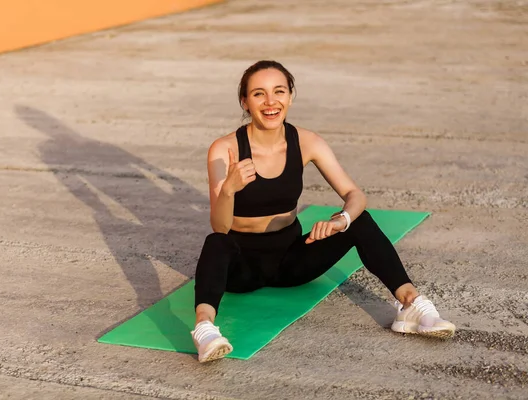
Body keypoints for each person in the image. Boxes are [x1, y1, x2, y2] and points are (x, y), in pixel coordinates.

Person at [190, 60, 455, 363]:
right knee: (216, 243)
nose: (270, 102)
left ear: (290, 96)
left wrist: (340, 221)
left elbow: (354, 195)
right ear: (245, 101)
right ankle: (205, 329)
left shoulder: (307, 141)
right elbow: (220, 227)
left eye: (279, 91)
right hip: (240, 268)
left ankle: (410, 305)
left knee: (359, 221)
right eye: (259, 94)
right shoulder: (224, 149)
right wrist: (229, 189)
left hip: (290, 261)